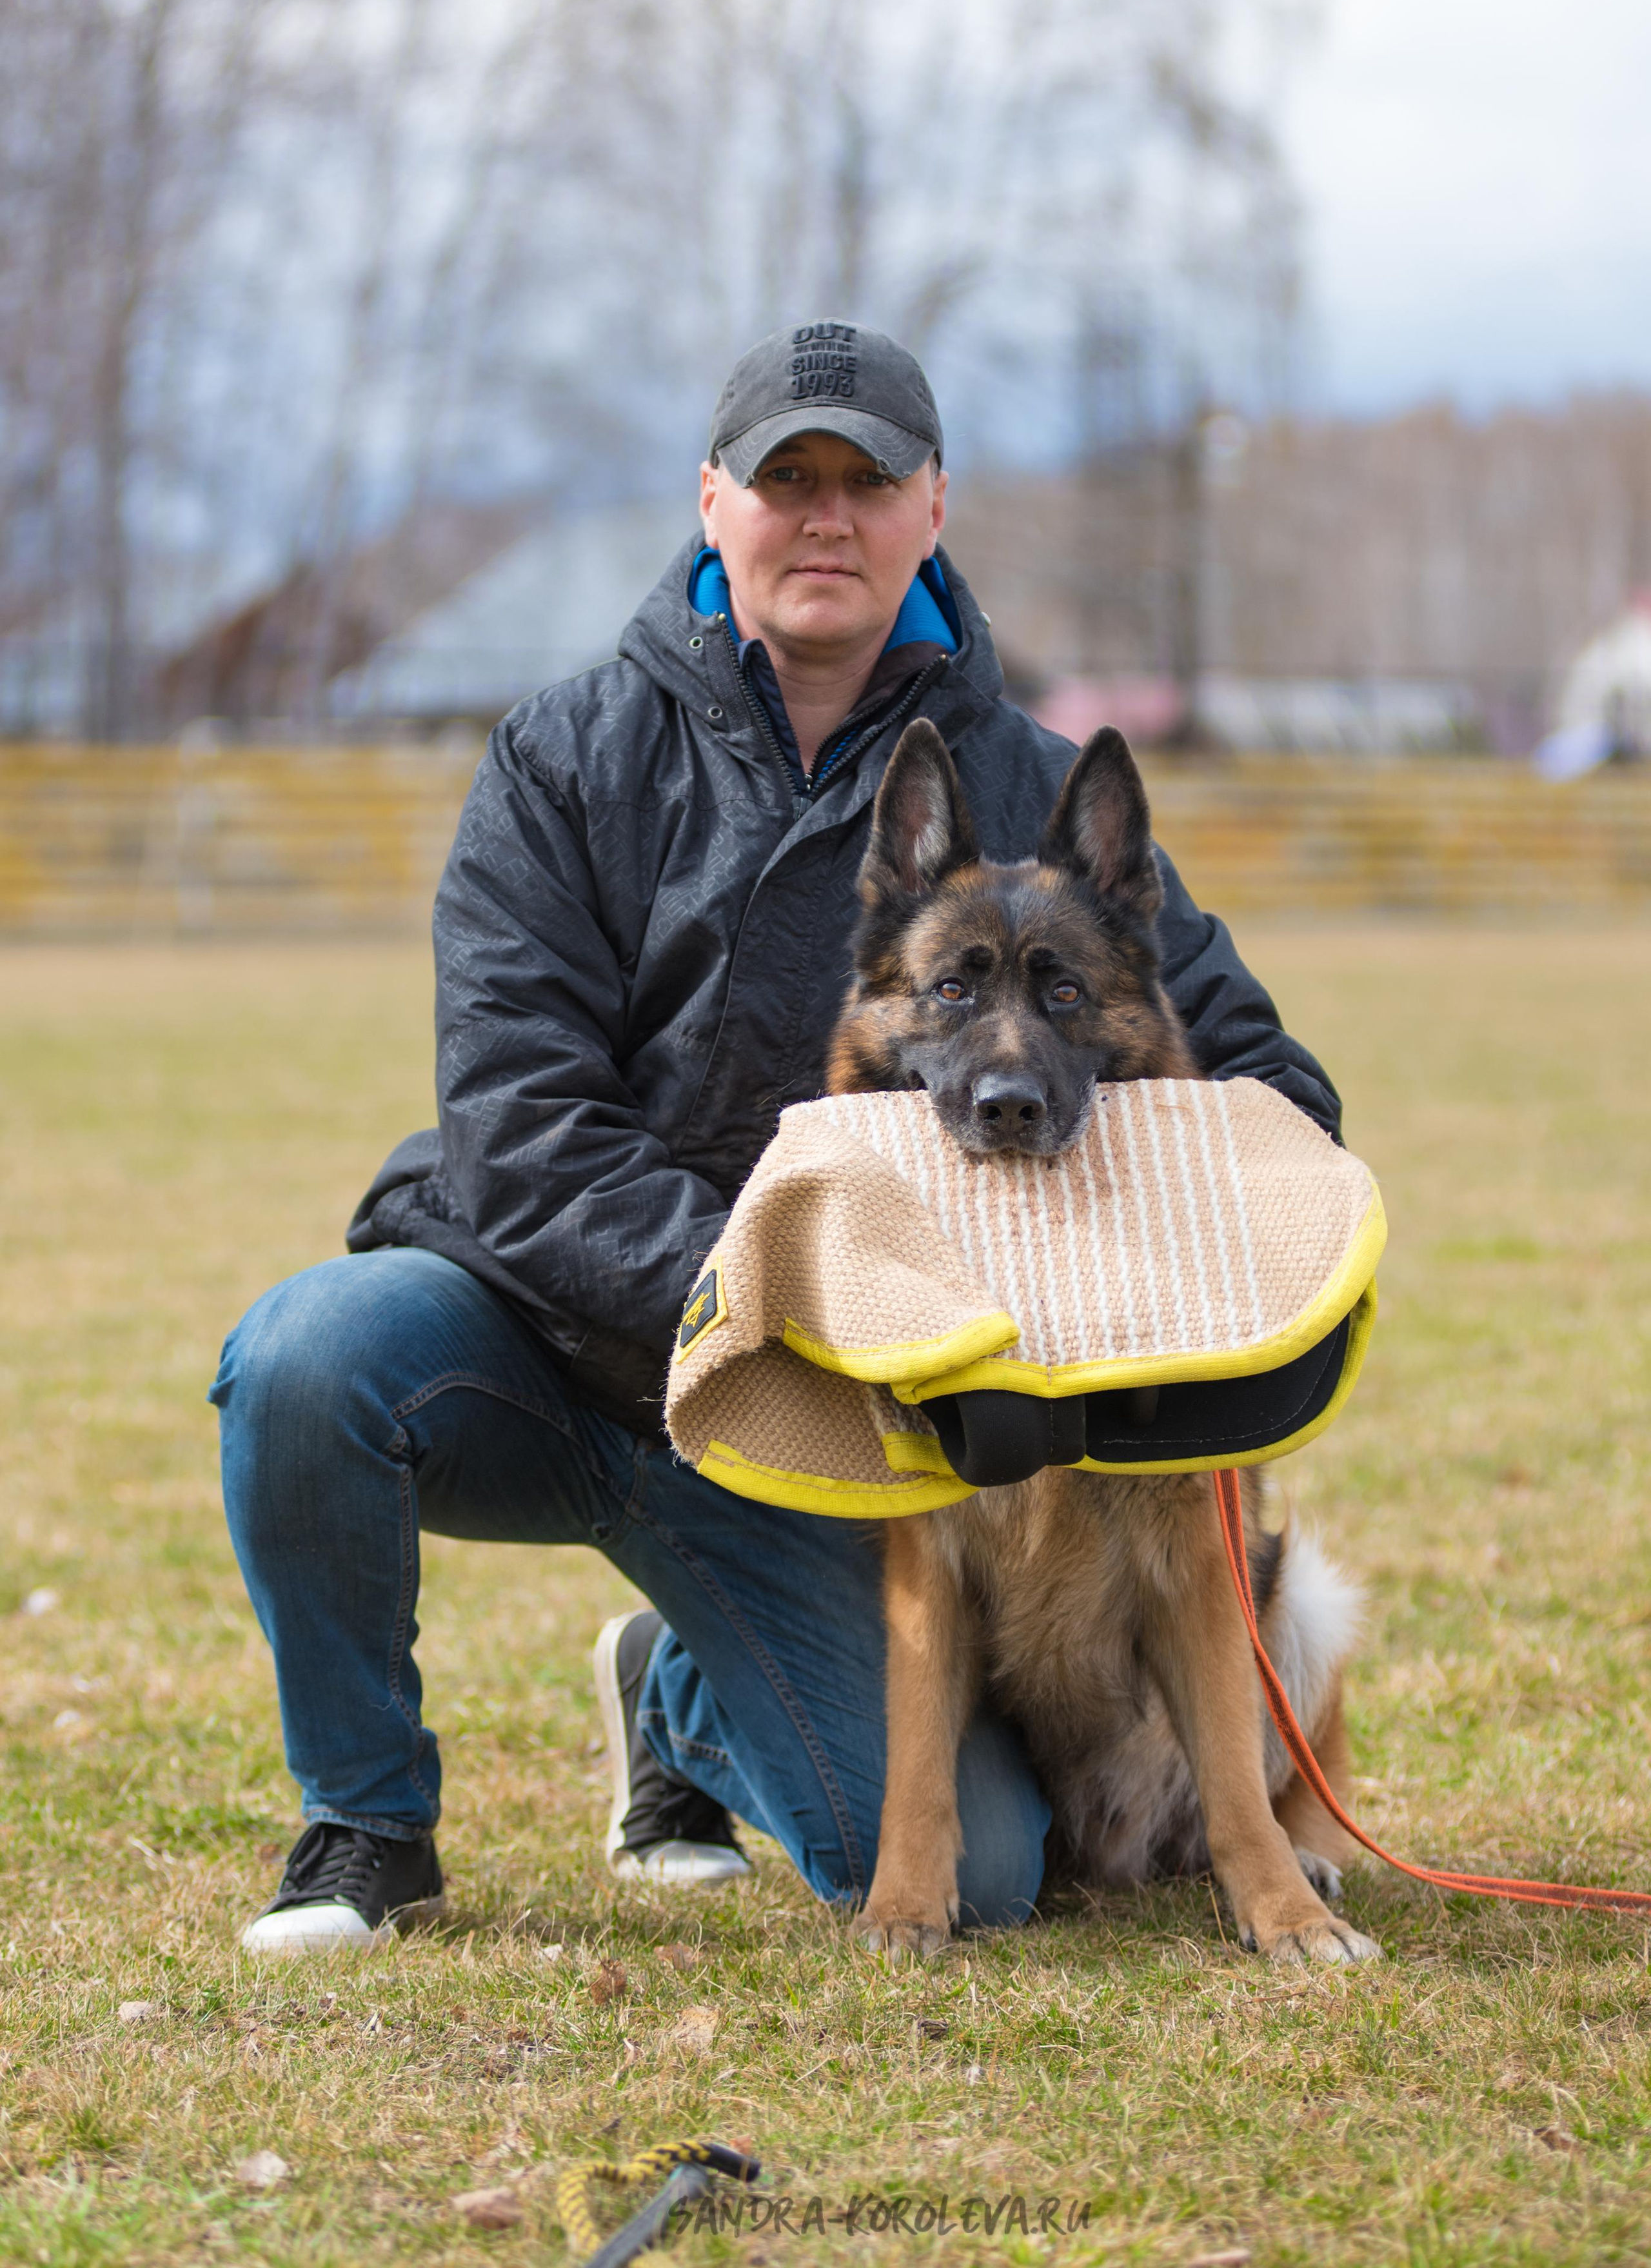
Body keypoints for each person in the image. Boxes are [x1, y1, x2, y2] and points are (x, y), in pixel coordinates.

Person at [214, 322, 1341, 1952]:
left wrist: (1146, 1258)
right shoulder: (564, 753)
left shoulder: (1028, 785)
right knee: (307, 1359)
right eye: (784, 478)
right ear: (712, 501)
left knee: (995, 1881)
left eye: (866, 482)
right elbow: (518, 1123)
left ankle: (672, 1702)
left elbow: (1258, 1083)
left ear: (931, 509)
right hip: (549, 1347)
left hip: (829, 1443)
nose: (825, 517)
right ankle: (363, 1828)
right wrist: (768, 1291)